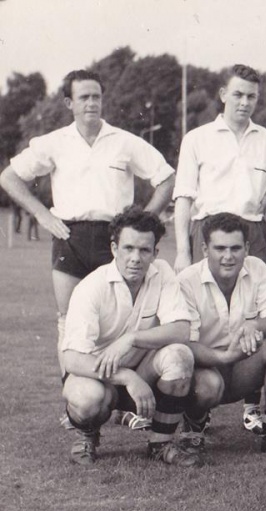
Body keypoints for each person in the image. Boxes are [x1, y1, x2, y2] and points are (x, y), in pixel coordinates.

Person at [0, 69, 174, 431]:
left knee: (125, 318)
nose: (92, 103)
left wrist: (145, 220)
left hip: (117, 238)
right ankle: (76, 403)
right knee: (69, 321)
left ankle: (124, 401)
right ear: (69, 103)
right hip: (71, 236)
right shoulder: (54, 142)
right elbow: (9, 177)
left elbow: (166, 177)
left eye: (96, 96)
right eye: (84, 97)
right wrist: (42, 215)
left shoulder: (124, 141)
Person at [173, 63, 266, 433]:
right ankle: (199, 402)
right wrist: (182, 250)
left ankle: (252, 405)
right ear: (223, 94)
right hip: (208, 229)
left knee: (255, 311)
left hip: (252, 230)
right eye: (238, 94)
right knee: (204, 312)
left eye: (251, 96)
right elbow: (183, 195)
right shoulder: (197, 138)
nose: (244, 102)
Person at [60, 207, 198, 467]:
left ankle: (160, 443)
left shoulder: (162, 272)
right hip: (99, 377)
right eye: (129, 248)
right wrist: (127, 377)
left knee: (180, 356)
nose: (136, 258)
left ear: (155, 253)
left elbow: (181, 330)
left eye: (144, 250)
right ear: (114, 248)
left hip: (144, 370)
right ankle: (87, 435)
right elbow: (72, 359)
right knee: (86, 398)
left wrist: (132, 338)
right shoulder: (91, 286)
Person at [176, 213, 266, 460]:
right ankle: (193, 430)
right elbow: (185, 343)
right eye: (220, 248)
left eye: (235, 248)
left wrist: (254, 324)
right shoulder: (186, 281)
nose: (228, 256)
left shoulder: (257, 268)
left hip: (244, 367)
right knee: (205, 382)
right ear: (205, 249)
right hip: (205, 369)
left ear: (246, 248)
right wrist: (223, 358)